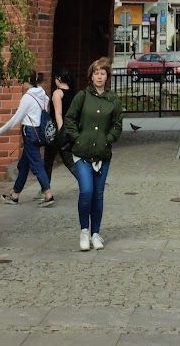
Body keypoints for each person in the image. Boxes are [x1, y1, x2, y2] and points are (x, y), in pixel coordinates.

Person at [63, 56, 123, 251]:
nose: (99, 76)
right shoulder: (82, 96)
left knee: (98, 194)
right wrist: (77, 138)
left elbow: (117, 124)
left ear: (107, 76)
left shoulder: (113, 99)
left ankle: (95, 233)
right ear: (91, 76)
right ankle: (84, 231)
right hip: (82, 153)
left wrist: (108, 139)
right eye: (96, 73)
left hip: (102, 154)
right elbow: (70, 119)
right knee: (86, 191)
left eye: (102, 73)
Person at [0, 72, 54, 207]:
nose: (22, 84)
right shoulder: (43, 95)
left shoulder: (28, 97)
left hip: (29, 132)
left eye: (23, 81)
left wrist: (0, 131)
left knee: (36, 164)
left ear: (28, 82)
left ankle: (48, 194)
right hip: (39, 132)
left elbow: (16, 118)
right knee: (24, 165)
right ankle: (15, 195)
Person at [42, 69, 76, 189]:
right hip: (69, 127)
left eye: (56, 78)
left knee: (48, 160)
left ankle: (45, 189)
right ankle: (86, 183)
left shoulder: (57, 93)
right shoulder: (72, 93)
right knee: (69, 160)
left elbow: (58, 114)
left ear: (59, 79)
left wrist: (61, 132)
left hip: (57, 129)